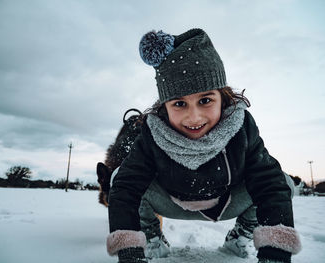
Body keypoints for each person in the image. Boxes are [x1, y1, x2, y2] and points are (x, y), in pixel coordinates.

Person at [106, 28, 301, 263]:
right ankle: (151, 238)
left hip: (225, 203)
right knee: (120, 176)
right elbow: (126, 188)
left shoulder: (241, 127)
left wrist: (275, 253)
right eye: (179, 103)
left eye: (205, 100)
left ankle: (241, 235)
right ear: (165, 107)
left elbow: (269, 184)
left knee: (283, 182)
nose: (194, 117)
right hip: (171, 202)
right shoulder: (152, 133)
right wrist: (129, 253)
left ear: (223, 97)